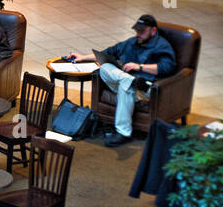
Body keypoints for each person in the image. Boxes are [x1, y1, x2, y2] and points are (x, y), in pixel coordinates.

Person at [69, 13, 176, 147]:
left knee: (126, 87)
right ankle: (130, 80)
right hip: (129, 81)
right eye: (137, 31)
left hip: (147, 88)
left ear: (153, 30)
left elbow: (167, 67)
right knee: (105, 67)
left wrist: (139, 66)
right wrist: (82, 57)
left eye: (142, 31)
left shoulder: (162, 46)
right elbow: (108, 52)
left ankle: (123, 132)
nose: (138, 34)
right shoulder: (132, 42)